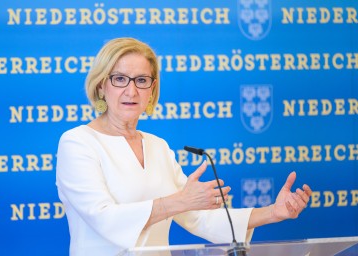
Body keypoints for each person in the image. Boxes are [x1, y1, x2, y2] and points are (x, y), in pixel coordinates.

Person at [56, 37, 312, 256]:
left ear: (152, 89)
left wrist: (273, 213)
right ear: (102, 85)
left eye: (141, 80)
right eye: (120, 79)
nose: (131, 91)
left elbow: (198, 217)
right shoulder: (78, 142)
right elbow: (104, 219)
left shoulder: (157, 147)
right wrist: (178, 202)